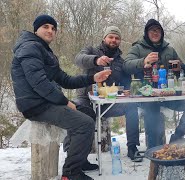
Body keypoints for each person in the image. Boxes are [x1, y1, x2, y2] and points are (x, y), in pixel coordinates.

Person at [11, 14, 111, 180]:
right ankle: (71, 173)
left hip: (46, 101)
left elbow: (65, 80)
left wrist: (92, 78)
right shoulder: (30, 47)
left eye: (53, 28)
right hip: (35, 105)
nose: (50, 31)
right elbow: (39, 83)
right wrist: (65, 102)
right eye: (46, 27)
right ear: (36, 30)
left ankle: (80, 160)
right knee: (84, 124)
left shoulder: (44, 51)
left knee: (88, 113)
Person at [124, 18, 185, 149]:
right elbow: (126, 66)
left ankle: (180, 137)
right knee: (152, 113)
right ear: (146, 33)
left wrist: (179, 68)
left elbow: (181, 71)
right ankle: (155, 150)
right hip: (146, 95)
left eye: (158, 30)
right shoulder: (137, 48)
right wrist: (143, 61)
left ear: (162, 33)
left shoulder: (169, 50)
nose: (155, 33)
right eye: (152, 30)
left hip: (168, 93)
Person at [73, 26, 141, 161]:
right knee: (80, 113)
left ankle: (132, 148)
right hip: (86, 98)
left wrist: (126, 89)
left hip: (107, 103)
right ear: (104, 38)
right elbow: (78, 59)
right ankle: (77, 157)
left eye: (117, 38)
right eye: (111, 37)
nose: (113, 40)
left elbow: (125, 85)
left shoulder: (121, 62)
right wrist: (96, 60)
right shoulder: (90, 50)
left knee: (131, 106)